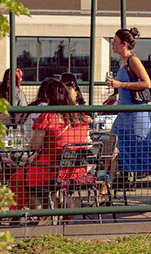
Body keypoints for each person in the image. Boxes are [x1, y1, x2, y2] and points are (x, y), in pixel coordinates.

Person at [104, 28, 151, 204]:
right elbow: (127, 89)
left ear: (124, 43)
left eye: (115, 41)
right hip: (124, 113)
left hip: (137, 115)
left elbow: (146, 83)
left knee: (143, 151)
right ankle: (104, 188)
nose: (112, 44)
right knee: (112, 147)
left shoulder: (133, 60)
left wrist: (120, 84)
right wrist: (115, 96)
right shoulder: (122, 62)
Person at [9, 80, 91, 211]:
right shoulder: (79, 115)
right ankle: (65, 203)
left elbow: (35, 145)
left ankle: (41, 212)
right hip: (77, 168)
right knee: (32, 179)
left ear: (48, 96)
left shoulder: (49, 115)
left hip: (53, 167)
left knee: (19, 178)